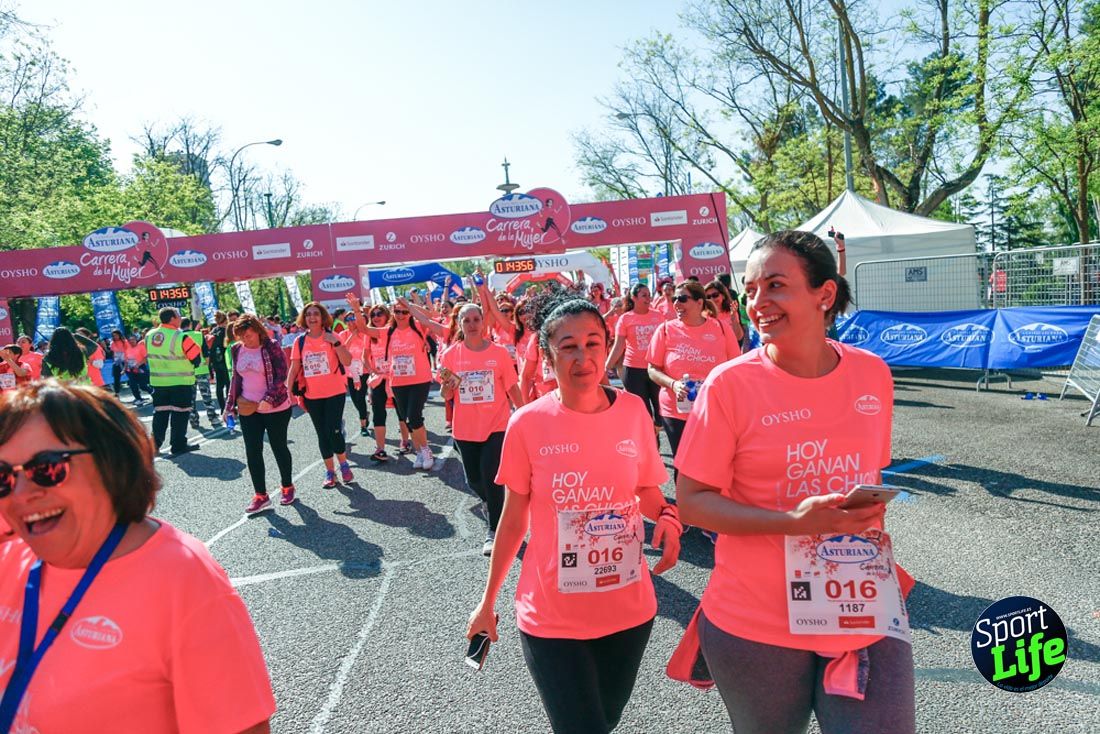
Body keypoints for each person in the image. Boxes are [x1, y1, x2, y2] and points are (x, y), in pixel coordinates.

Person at [674, 230, 914, 734]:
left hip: (860, 606)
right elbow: (692, 503)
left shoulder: (872, 375)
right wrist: (789, 522)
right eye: (750, 288)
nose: (757, 302)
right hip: (755, 621)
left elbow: (865, 477)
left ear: (824, 294)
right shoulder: (729, 385)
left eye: (775, 285)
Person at [0, 380, 275, 733]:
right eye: (3, 477)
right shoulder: (10, 557)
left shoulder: (181, 578)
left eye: (48, 468)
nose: (22, 493)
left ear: (109, 462)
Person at [466, 289, 683, 734]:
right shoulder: (527, 423)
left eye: (592, 343)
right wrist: (487, 602)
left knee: (605, 719)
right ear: (547, 354)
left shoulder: (634, 410)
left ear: (606, 347)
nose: (582, 356)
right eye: (568, 347)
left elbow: (645, 488)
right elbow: (512, 518)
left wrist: (667, 516)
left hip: (628, 610)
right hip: (551, 616)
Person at [438, 304, 524, 556]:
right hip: (465, 429)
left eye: (477, 319)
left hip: (495, 426)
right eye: (467, 320)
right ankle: (490, 503)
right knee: (473, 480)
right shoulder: (451, 355)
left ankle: (494, 531)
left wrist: (525, 412)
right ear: (460, 325)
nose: (473, 324)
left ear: (483, 322)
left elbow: (512, 386)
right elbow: (446, 393)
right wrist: (447, 388)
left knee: (491, 478)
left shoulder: (498, 354)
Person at [648, 280, 740, 459]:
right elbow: (652, 369)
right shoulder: (665, 330)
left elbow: (734, 366)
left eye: (682, 298)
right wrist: (673, 385)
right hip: (675, 410)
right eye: (674, 298)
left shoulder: (720, 328)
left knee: (714, 460)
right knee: (683, 462)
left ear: (699, 302)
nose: (676, 303)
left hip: (713, 409)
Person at [225, 315, 296, 515]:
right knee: (252, 451)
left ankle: (287, 487)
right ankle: (260, 495)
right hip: (249, 408)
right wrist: (229, 405)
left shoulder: (271, 346)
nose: (245, 340)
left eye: (248, 335)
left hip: (276, 407)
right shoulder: (236, 349)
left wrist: (268, 399)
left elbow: (281, 374)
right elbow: (236, 378)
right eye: (240, 336)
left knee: (278, 447)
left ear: (257, 331)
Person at [286, 302, 354, 488]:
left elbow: (347, 360)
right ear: (304, 319)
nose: (312, 317)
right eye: (308, 314)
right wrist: (287, 392)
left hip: (335, 392)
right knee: (322, 434)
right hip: (312, 395)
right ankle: (330, 471)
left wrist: (337, 343)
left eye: (316, 314)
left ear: (323, 317)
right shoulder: (299, 341)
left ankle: (344, 465)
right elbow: (294, 369)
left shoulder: (333, 336)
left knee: (334, 430)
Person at [605, 283, 664, 431]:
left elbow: (666, 342)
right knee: (642, 412)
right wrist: (605, 367)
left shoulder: (658, 316)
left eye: (649, 294)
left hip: (656, 369)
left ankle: (655, 430)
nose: (648, 298)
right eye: (644, 295)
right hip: (633, 371)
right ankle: (651, 448)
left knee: (661, 412)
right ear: (634, 297)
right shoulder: (625, 319)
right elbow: (619, 346)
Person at [145, 308, 203, 456]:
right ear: (172, 319)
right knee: (180, 414)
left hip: (158, 382)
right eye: (178, 316)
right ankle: (178, 445)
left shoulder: (149, 336)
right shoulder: (180, 336)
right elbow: (196, 359)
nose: (180, 318)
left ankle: (154, 445)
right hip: (180, 381)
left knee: (160, 413)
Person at [182, 318, 220, 430]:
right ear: (190, 324)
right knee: (206, 396)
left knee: (190, 398)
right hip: (201, 370)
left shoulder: (178, 337)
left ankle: (194, 421)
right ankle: (213, 418)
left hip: (186, 373)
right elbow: (206, 353)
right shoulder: (198, 335)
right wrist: (207, 367)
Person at [704, 278, 746, 345]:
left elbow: (739, 337)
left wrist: (733, 318)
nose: (712, 299)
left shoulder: (731, 312)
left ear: (723, 296)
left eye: (715, 295)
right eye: (708, 297)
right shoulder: (704, 315)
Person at [210, 310, 231, 410]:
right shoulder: (227, 331)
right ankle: (228, 407)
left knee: (219, 386)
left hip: (216, 361)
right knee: (228, 385)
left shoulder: (213, 332)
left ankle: (222, 408)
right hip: (226, 360)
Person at [124, 332, 152, 406]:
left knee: (143, 385)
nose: (131, 341)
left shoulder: (140, 347)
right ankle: (139, 399)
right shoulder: (128, 349)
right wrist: (124, 369)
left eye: (133, 340)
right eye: (130, 340)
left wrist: (138, 365)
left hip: (140, 368)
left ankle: (154, 394)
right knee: (133, 385)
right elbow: (126, 360)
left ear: (136, 340)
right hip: (131, 369)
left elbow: (146, 357)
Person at [109, 330, 128, 396]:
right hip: (116, 362)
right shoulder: (112, 343)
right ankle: (117, 393)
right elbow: (112, 353)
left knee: (131, 377)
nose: (115, 337)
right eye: (113, 335)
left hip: (126, 362)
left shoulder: (124, 342)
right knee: (116, 378)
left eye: (116, 335)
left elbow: (128, 351)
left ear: (119, 335)